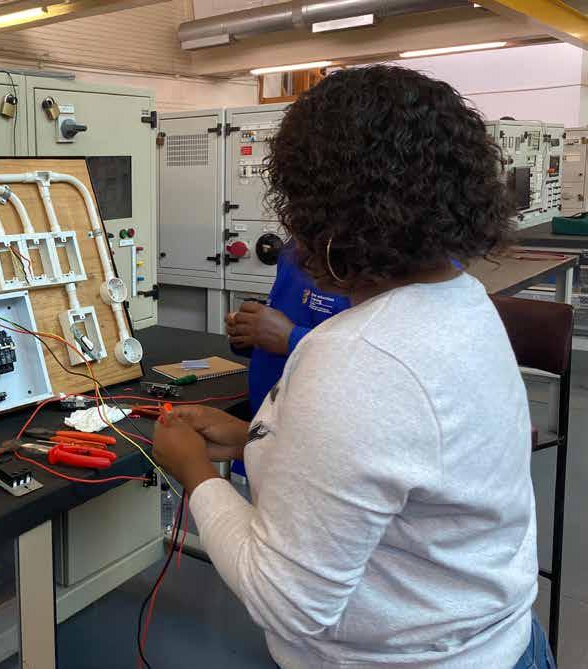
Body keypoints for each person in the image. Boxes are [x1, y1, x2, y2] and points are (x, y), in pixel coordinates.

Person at [153, 65, 551, 668]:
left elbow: (286, 601)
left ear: (322, 212)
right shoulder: (462, 301)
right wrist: (252, 438)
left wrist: (195, 473)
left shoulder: (358, 357)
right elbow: (395, 468)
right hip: (500, 643)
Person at [227, 247, 349, 418]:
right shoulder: (291, 251)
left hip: (317, 417)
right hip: (267, 414)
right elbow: (287, 325)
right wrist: (251, 333)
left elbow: (367, 358)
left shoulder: (367, 264)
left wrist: (290, 338)